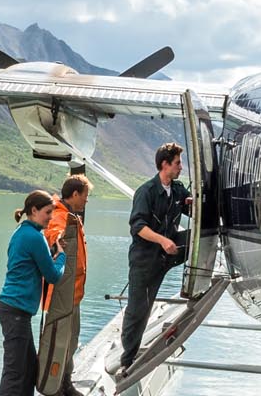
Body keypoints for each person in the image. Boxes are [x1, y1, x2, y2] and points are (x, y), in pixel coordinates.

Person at [116, 143, 192, 373]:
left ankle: (198, 279)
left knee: (200, 238)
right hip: (145, 260)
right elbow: (137, 227)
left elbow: (192, 208)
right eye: (177, 163)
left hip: (167, 255)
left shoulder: (178, 190)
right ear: (165, 165)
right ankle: (127, 361)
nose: (181, 167)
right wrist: (162, 240)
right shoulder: (146, 191)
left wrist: (194, 203)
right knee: (138, 310)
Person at [0, 190, 65, 396]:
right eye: (47, 212)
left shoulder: (20, 232)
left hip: (14, 310)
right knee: (15, 371)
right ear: (34, 210)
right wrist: (62, 256)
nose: (50, 217)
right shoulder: (35, 237)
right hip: (16, 311)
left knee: (28, 369)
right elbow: (53, 275)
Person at [39, 174, 91, 394]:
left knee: (71, 340)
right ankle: (56, 386)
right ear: (75, 194)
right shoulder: (60, 216)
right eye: (85, 196)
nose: (87, 201)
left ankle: (65, 382)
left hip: (73, 294)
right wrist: (60, 237)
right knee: (60, 342)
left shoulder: (71, 215)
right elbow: (54, 234)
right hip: (62, 295)